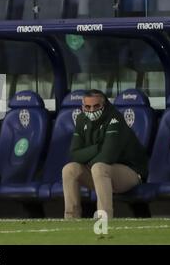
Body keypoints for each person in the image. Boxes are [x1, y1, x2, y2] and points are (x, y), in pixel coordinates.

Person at [62, 89, 149, 219]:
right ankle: (71, 218)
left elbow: (109, 156)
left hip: (130, 173)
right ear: (82, 107)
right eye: (87, 107)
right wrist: (97, 148)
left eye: (96, 106)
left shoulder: (114, 118)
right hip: (101, 175)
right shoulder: (81, 119)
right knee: (69, 169)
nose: (91, 110)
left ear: (104, 105)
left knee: (99, 167)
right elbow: (74, 154)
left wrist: (88, 159)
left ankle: (104, 218)